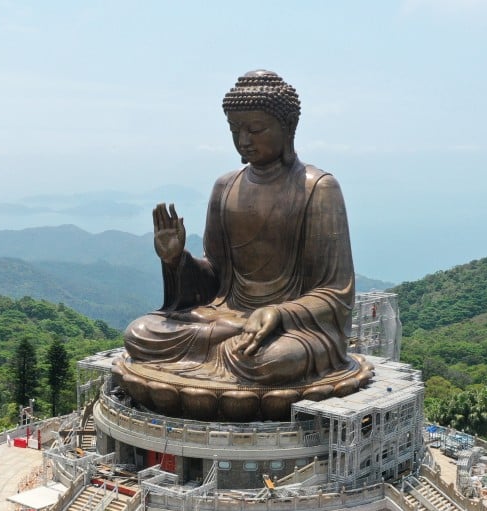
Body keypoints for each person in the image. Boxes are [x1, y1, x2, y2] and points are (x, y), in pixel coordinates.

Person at [123, 70, 355, 388]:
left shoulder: (319, 189)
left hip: (285, 329)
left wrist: (280, 313)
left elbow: (335, 293)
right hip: (222, 319)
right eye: (235, 129)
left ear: (288, 127)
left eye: (255, 129)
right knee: (139, 333)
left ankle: (224, 359)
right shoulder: (225, 187)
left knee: (271, 360)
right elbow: (216, 280)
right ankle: (221, 354)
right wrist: (177, 260)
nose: (244, 140)